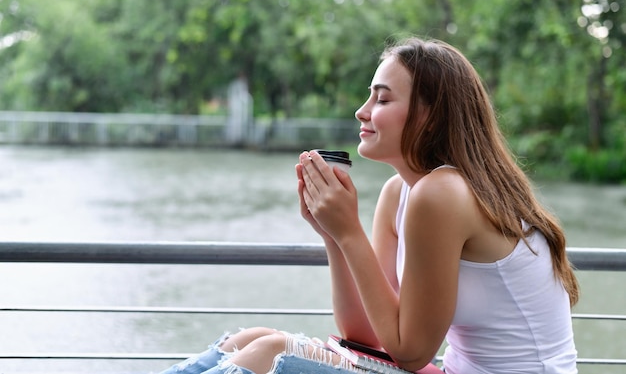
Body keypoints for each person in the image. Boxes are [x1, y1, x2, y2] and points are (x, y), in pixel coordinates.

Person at [158, 36, 579, 374]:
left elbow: (412, 353)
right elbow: (364, 333)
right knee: (251, 339)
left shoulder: (443, 194)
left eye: (382, 99)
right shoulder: (402, 192)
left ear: (429, 116)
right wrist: (332, 234)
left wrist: (349, 232)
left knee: (271, 353)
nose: (362, 112)